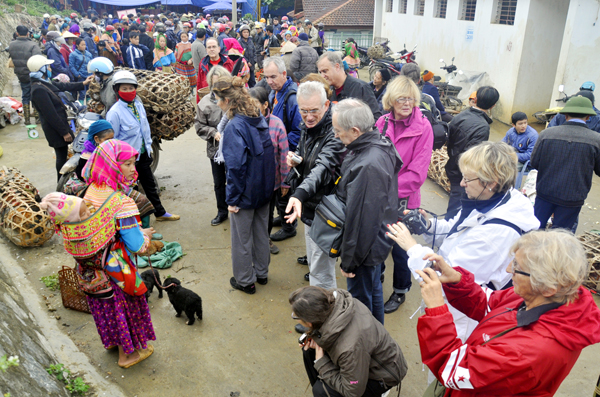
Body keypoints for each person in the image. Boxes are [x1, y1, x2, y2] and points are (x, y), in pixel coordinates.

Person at [391, 230, 600, 396]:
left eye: (518, 267)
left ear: (548, 287)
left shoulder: (530, 352)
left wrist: (437, 310)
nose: (509, 270)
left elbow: (453, 370)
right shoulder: (547, 297)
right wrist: (456, 280)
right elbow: (491, 304)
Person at [390, 141, 539, 343]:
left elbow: (447, 279)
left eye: (468, 179)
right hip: (459, 304)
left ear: (491, 182)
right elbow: (458, 229)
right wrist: (428, 225)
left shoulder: (494, 235)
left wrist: (411, 247)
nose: (461, 183)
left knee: (447, 363)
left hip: (461, 319)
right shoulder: (497, 199)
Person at [42, 142, 162, 369]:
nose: (131, 169)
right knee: (123, 310)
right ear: (111, 166)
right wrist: (144, 235)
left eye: (132, 163)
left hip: (90, 271)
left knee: (106, 312)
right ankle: (128, 355)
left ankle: (114, 343)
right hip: (115, 272)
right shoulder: (121, 202)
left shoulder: (89, 191)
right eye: (126, 163)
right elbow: (137, 246)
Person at [328, 99, 401, 324]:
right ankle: (377, 338)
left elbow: (361, 220)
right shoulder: (379, 143)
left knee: (360, 303)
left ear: (355, 130)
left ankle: (367, 345)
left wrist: (349, 261)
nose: (336, 135)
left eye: (338, 131)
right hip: (376, 242)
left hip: (365, 248)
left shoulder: (368, 164)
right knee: (374, 291)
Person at [374, 76, 434, 314]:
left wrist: (383, 189)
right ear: (391, 100)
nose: (407, 103)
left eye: (411, 98)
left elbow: (417, 174)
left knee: (401, 250)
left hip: (403, 200)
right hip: (379, 196)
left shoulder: (423, 127)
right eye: (401, 98)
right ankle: (376, 281)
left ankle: (400, 291)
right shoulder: (382, 122)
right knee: (378, 241)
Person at [213, 75, 275, 295]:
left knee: (241, 239)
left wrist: (232, 199)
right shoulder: (257, 118)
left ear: (227, 100)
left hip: (245, 192)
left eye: (217, 98)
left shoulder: (234, 127)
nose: (216, 103)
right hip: (264, 189)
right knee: (260, 233)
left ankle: (245, 280)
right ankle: (262, 273)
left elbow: (236, 168)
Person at [284, 81, 346, 298]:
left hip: (324, 210)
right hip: (309, 207)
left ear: (326, 105)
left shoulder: (334, 132)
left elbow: (323, 167)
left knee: (321, 270)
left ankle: (325, 314)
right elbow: (308, 157)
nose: (308, 117)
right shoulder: (306, 127)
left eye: (314, 111)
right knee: (314, 263)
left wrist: (299, 193)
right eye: (303, 111)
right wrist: (296, 160)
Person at [290, 286, 407, 397]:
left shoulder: (349, 348)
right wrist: (314, 335)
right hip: (364, 359)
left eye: (295, 317)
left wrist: (322, 362)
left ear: (309, 322)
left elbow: (352, 392)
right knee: (309, 351)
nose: (294, 317)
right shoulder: (340, 304)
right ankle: (322, 382)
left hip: (383, 374)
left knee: (321, 391)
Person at [106, 70, 180, 222]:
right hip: (126, 160)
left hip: (142, 154)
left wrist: (147, 148)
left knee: (150, 185)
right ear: (117, 91)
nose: (128, 91)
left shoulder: (138, 106)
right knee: (131, 191)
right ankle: (134, 222)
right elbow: (112, 140)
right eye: (124, 89)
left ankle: (160, 213)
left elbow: (144, 129)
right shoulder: (114, 112)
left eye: (131, 88)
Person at [531, 96, 600, 231]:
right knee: (562, 235)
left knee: (534, 229)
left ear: (565, 115)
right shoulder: (596, 139)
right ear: (588, 117)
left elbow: (534, 163)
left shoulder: (546, 134)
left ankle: (531, 251)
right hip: (573, 197)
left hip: (545, 192)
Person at [28, 55, 92, 180]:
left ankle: (62, 181)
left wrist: (83, 83)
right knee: (61, 157)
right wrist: (64, 132)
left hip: (59, 126)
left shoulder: (43, 83)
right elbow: (50, 114)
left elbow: (63, 86)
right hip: (55, 129)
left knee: (62, 155)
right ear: (41, 69)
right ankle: (61, 182)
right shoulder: (38, 90)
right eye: (48, 67)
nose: (50, 69)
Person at [263, 57, 303, 242]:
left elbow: (299, 130)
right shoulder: (274, 93)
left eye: (273, 76)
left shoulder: (292, 98)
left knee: (286, 190)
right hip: (277, 152)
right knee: (279, 191)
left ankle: (289, 228)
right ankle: (283, 216)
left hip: (288, 153)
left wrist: (282, 142)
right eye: (267, 77)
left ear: (284, 74)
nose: (269, 81)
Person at [445, 86, 499, 220]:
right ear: (493, 105)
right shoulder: (482, 126)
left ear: (475, 99)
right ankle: (448, 231)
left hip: (452, 163)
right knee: (458, 204)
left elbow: (449, 138)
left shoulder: (461, 115)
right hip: (463, 171)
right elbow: (472, 156)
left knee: (456, 198)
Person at [249, 86, 291, 255]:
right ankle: (254, 241)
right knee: (252, 215)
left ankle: (265, 239)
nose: (251, 108)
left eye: (255, 104)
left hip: (271, 183)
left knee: (266, 213)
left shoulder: (276, 124)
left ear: (265, 104)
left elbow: (283, 156)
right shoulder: (243, 123)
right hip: (250, 182)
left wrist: (284, 182)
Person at [195, 65, 231, 226]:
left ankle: (236, 207)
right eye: (214, 83)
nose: (217, 88)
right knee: (219, 182)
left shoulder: (233, 100)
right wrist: (213, 133)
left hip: (234, 149)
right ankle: (222, 211)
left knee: (235, 179)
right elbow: (199, 126)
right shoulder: (204, 103)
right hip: (215, 150)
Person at [317, 52, 381, 120]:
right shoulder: (327, 91)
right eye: (320, 72)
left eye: (325, 71)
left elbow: (376, 118)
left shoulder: (360, 88)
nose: (322, 76)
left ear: (337, 67)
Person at [7, 25, 42, 125]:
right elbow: (38, 59)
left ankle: (27, 120)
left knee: (25, 96)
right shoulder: (33, 45)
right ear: (28, 34)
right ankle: (37, 118)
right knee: (35, 95)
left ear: (17, 33)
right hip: (32, 74)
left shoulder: (12, 45)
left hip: (20, 74)